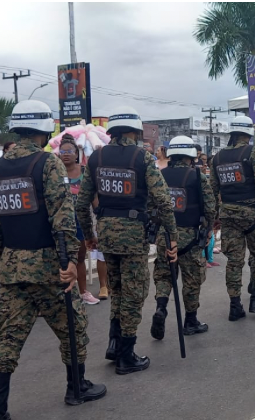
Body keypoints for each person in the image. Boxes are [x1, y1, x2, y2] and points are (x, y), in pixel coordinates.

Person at [0, 100, 106, 419]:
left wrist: (6, 259)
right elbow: (62, 218)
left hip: (13, 269)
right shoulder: (46, 164)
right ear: (43, 128)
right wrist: (67, 262)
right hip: (50, 267)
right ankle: (76, 388)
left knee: (8, 337)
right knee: (73, 326)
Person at [76, 106, 178, 375]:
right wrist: (172, 237)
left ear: (112, 133)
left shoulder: (96, 159)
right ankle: (126, 356)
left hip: (107, 234)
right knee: (134, 293)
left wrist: (89, 236)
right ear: (134, 132)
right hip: (133, 236)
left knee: (118, 290)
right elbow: (163, 201)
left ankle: (114, 344)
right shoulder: (142, 158)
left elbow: (81, 203)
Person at [209, 116, 255, 321]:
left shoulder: (218, 157)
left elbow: (212, 190)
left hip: (229, 216)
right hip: (254, 216)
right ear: (248, 134)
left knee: (234, 261)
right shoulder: (253, 153)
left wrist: (214, 216)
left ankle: (235, 306)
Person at [151, 135, 215, 340]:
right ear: (190, 155)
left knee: (163, 275)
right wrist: (208, 229)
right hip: (190, 238)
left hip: (165, 236)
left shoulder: (159, 176)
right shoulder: (198, 176)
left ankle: (161, 307)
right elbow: (210, 207)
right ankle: (190, 320)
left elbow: (151, 207)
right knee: (192, 279)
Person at [57, 134, 100, 304]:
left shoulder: (85, 172)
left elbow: (94, 198)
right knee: (58, 260)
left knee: (80, 258)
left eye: (69, 151)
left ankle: (83, 293)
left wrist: (99, 216)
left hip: (80, 222)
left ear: (77, 153)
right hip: (59, 223)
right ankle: (57, 296)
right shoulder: (54, 172)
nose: (66, 154)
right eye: (62, 151)